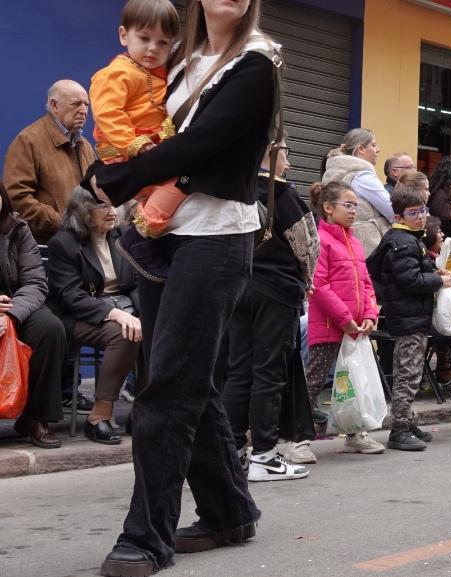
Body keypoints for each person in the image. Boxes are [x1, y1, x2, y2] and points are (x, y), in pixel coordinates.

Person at [83, 1, 275, 573]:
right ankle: (229, 511)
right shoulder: (179, 59)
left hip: (217, 238)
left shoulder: (255, 63)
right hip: (162, 234)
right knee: (189, 379)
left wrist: (117, 178)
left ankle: (146, 536)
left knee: (167, 385)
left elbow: (200, 146)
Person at [222, 142, 318, 480]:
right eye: (286, 154)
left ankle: (233, 452)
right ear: (270, 154)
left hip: (238, 288)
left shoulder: (233, 190)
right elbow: (307, 245)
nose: (289, 164)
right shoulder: (283, 194)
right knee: (268, 373)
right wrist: (305, 281)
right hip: (276, 290)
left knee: (239, 370)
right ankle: (263, 454)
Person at [46, 187, 143, 446]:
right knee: (125, 335)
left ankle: (142, 412)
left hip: (120, 308)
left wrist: (138, 313)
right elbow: (70, 296)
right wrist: (114, 314)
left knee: (153, 329)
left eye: (114, 205)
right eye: (103, 206)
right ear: (84, 212)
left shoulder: (122, 235)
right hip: (76, 317)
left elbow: (134, 282)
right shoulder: (64, 244)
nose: (112, 212)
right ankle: (99, 416)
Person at [89, 0, 185, 243]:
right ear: (124, 35)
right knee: (180, 182)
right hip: (122, 152)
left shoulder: (161, 74)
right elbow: (108, 113)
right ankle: (141, 235)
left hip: (146, 152)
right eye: (144, 38)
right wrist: (137, 143)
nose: (153, 48)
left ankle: (147, 231)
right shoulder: (116, 73)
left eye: (163, 42)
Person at [366, 187, 451, 451]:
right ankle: (399, 429)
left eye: (423, 210)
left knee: (410, 371)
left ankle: (407, 420)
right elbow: (409, 280)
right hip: (408, 315)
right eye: (413, 213)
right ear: (399, 216)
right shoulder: (403, 241)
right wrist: (439, 280)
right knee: (408, 373)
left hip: (409, 314)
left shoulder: (406, 238)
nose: (421, 217)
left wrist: (432, 271)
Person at [304, 180, 387, 455]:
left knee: (354, 380)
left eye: (356, 205)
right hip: (330, 326)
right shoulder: (320, 240)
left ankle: (355, 433)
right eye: (347, 205)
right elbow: (319, 286)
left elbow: (366, 284)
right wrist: (345, 319)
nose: (354, 210)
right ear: (328, 208)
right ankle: (294, 438)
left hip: (354, 328)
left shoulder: (355, 241)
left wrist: (370, 315)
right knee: (314, 381)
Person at [0, 183, 68, 449]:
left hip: (17, 304)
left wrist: (13, 314)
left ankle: (35, 418)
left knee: (49, 328)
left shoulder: (17, 229)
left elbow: (35, 282)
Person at [4, 80, 97, 243]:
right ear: (54, 105)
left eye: (86, 104)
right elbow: (16, 198)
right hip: (45, 246)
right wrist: (63, 223)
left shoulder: (86, 146)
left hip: (82, 245)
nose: (83, 111)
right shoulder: (28, 141)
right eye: (76, 104)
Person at [322, 128, 390, 254]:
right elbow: (392, 209)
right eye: (374, 145)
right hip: (369, 247)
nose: (378, 149)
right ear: (361, 149)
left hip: (343, 244)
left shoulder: (335, 171)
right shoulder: (362, 176)